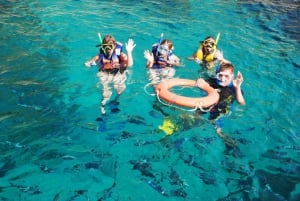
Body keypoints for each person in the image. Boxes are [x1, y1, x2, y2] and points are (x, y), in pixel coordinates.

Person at [196, 62, 245, 147]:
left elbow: (241, 103)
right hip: (208, 104)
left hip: (221, 109)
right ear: (216, 75)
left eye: (226, 76)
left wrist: (237, 87)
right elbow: (201, 82)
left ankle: (231, 144)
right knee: (196, 116)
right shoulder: (212, 81)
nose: (222, 79)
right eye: (220, 75)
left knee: (218, 130)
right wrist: (200, 81)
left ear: (231, 77)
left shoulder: (233, 88)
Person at [85, 34, 136, 114]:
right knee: (106, 94)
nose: (108, 49)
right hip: (104, 74)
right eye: (106, 47)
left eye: (110, 46)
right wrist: (89, 63)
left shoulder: (120, 55)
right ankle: (102, 108)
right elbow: (89, 62)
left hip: (118, 73)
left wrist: (129, 52)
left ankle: (115, 101)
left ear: (114, 45)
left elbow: (129, 65)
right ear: (103, 47)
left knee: (120, 89)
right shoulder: (99, 56)